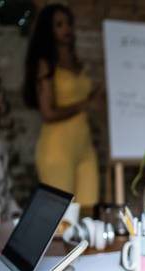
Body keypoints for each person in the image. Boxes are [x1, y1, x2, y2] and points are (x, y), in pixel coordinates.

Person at [23, 4, 102, 208]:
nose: (66, 28)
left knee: (88, 210)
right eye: (59, 24)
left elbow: (87, 102)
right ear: (49, 30)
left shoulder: (77, 61)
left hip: (84, 147)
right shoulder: (45, 64)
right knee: (60, 216)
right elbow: (48, 112)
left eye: (69, 23)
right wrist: (85, 104)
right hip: (57, 149)